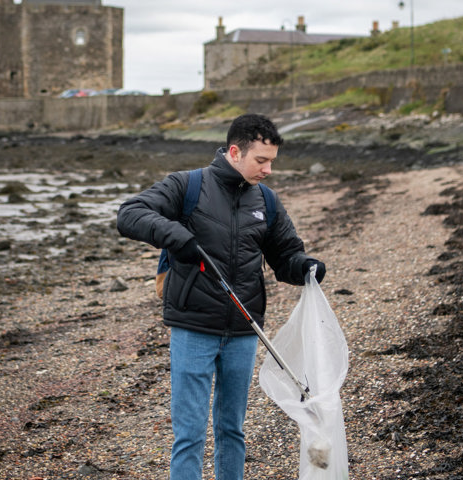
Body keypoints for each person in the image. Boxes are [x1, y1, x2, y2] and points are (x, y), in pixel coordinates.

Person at [116, 113, 325, 480]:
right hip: (193, 327)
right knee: (190, 434)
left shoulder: (267, 202)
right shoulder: (188, 186)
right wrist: (173, 234)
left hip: (244, 330)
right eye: (261, 160)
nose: (268, 169)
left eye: (272, 161)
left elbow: (285, 256)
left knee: (232, 429)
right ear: (234, 151)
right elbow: (130, 214)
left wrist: (305, 266)